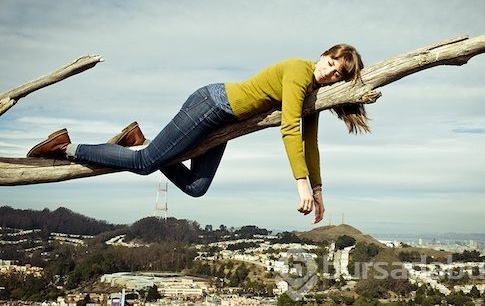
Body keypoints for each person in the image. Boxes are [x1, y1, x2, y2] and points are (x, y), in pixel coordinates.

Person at [27, 44, 369, 224]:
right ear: (322, 55)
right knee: (145, 164)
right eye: (330, 64)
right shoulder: (298, 70)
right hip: (210, 105)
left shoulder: (311, 93)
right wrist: (301, 184)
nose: (329, 74)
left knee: (197, 187)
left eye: (337, 75)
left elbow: (311, 142)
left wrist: (319, 190)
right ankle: (66, 147)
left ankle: (141, 140)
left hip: (223, 126)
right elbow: (290, 128)